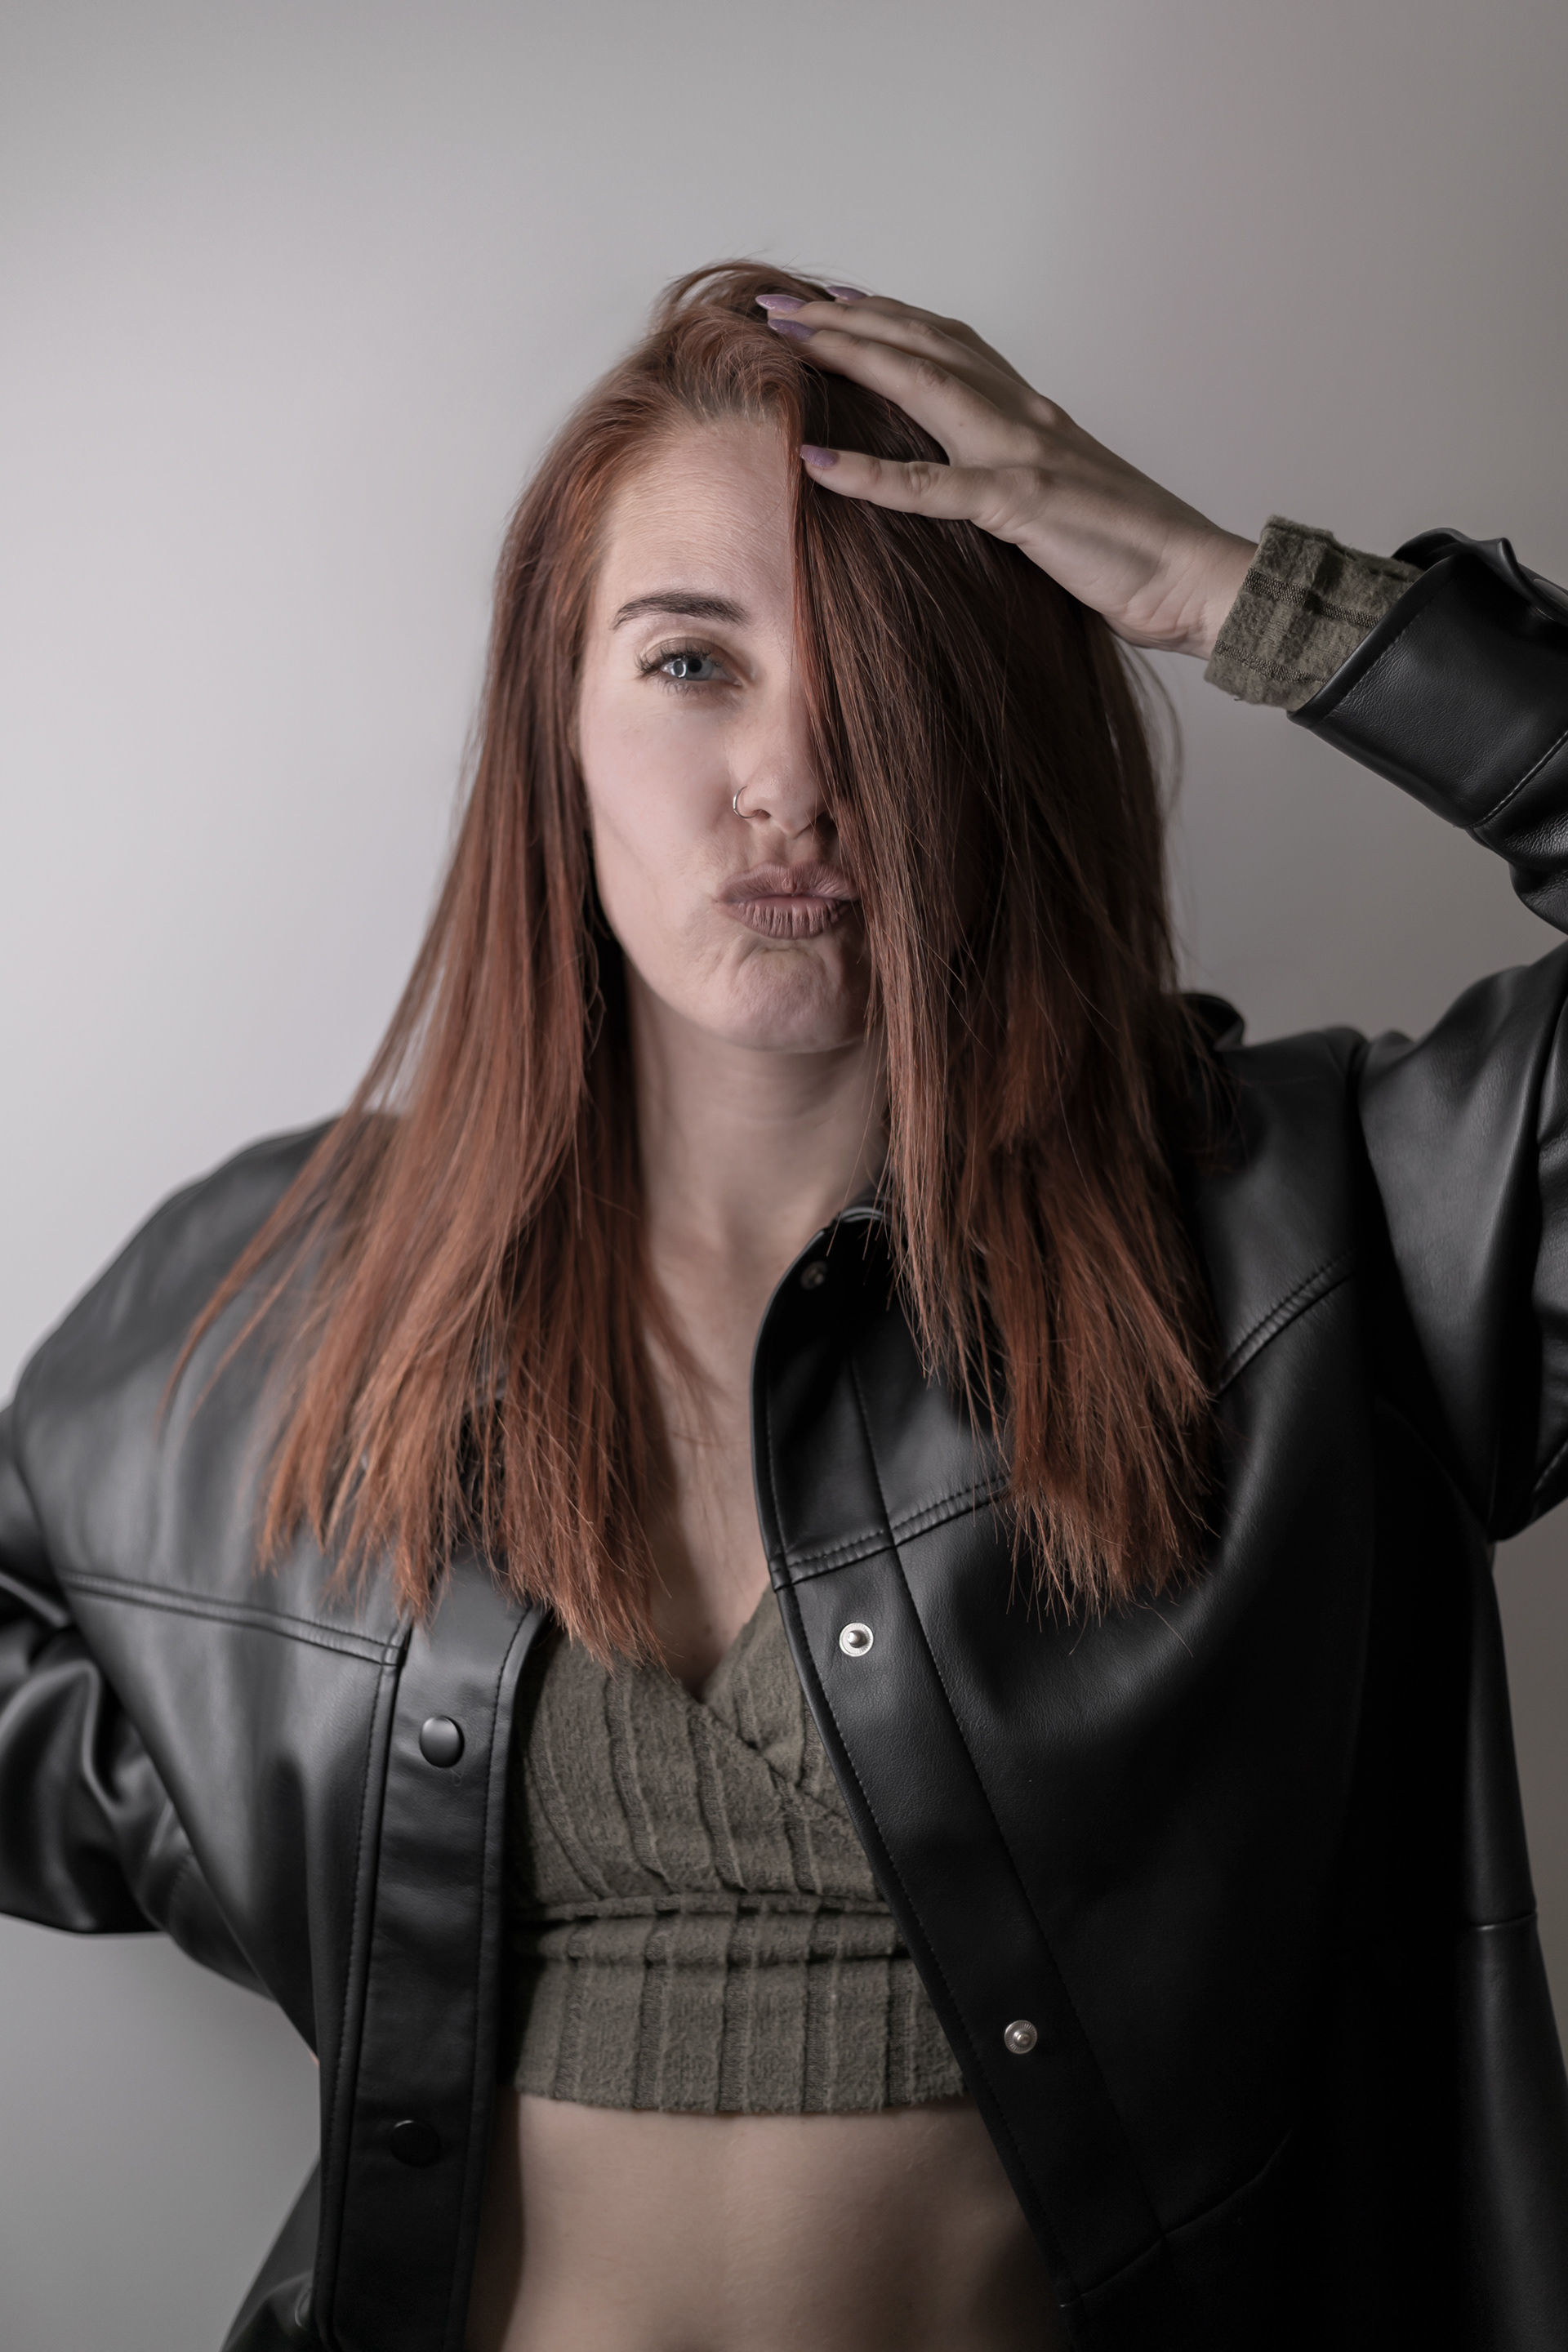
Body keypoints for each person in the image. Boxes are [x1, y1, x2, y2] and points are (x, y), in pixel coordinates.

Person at [2, 261, 1567, 2352]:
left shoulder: (1313, 1231)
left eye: (883, 675)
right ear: (555, 730)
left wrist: (1232, 595)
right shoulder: (295, 1283)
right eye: (689, 661)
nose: (792, 776)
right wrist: (302, 1839)